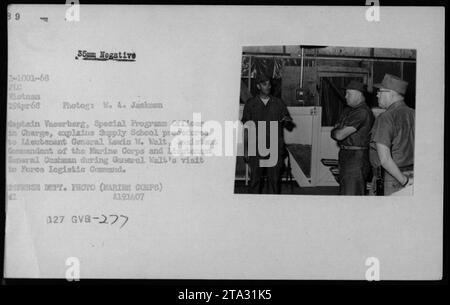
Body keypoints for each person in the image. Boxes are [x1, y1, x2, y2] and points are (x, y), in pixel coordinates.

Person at [241, 74, 293, 194]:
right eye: (264, 84)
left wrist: (287, 121)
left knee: (274, 183)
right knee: (254, 182)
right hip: (256, 149)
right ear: (258, 86)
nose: (268, 86)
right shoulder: (251, 104)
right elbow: (247, 129)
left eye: (269, 84)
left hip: (275, 148)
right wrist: (246, 151)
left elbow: (288, 125)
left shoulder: (278, 103)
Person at [370, 74, 415, 195]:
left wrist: (405, 182)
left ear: (390, 93)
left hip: (393, 178)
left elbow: (384, 160)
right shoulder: (415, 114)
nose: (377, 94)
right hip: (413, 173)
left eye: (380, 91)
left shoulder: (386, 117)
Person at [331, 80, 374, 195]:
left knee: (352, 193)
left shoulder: (362, 112)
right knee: (345, 191)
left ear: (359, 94)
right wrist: (337, 130)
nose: (345, 96)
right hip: (346, 155)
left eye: (349, 93)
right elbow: (337, 130)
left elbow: (339, 135)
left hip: (356, 159)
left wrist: (336, 130)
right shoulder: (348, 110)